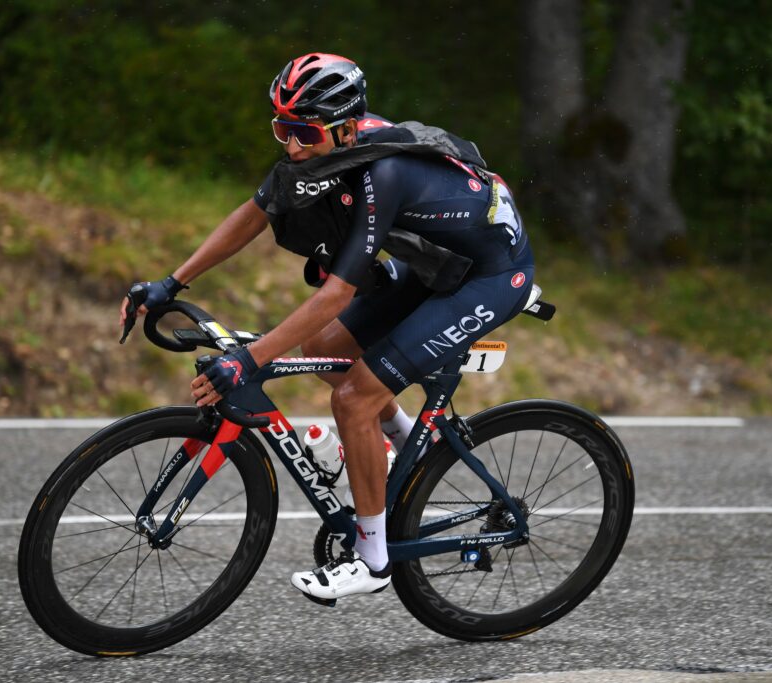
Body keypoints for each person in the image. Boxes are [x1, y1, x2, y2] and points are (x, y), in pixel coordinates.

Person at [119, 53, 534, 603]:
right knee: (323, 345)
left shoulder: (380, 171)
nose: (290, 146)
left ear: (342, 128)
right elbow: (254, 212)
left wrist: (249, 359)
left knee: (355, 399)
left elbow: (335, 292)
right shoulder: (322, 150)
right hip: (439, 260)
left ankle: (373, 560)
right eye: (280, 128)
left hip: (491, 275)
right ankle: (406, 445)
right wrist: (172, 283)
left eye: (302, 133)